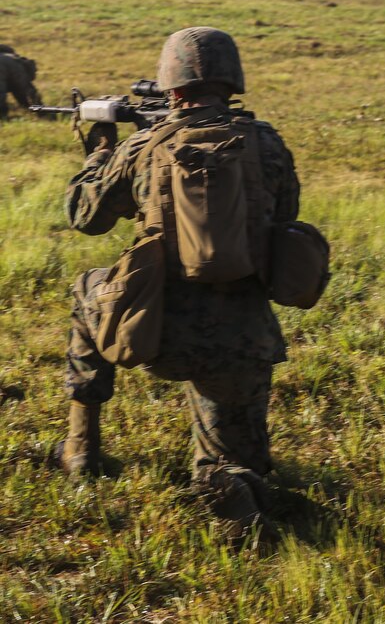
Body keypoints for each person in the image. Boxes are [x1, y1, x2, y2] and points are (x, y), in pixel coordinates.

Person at [56, 27, 300, 539]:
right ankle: (224, 481)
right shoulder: (268, 145)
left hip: (153, 334)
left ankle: (80, 448)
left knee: (86, 290)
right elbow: (286, 216)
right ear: (232, 80)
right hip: (244, 343)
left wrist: (100, 150)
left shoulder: (144, 147)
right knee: (233, 463)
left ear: (170, 84)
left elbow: (84, 215)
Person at [0, 45, 41, 118]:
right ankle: (42, 114)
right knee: (25, 92)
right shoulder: (14, 60)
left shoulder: (6, 58)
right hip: (14, 69)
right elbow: (26, 91)